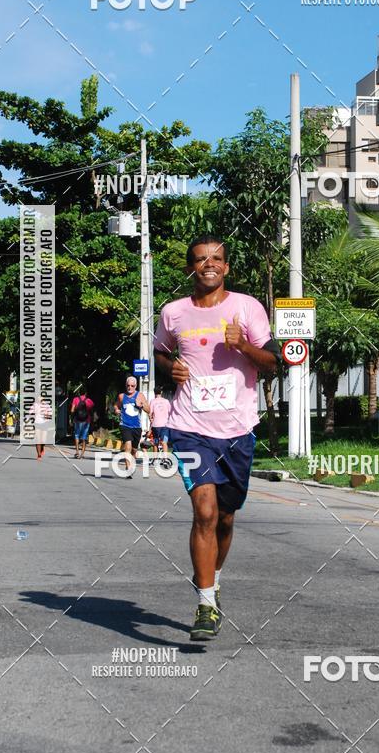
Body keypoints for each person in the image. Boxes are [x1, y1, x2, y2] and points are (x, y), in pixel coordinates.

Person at [154, 235, 279, 641]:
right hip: (189, 428)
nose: (208, 265)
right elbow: (158, 352)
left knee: (225, 518)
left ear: (226, 267)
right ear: (190, 268)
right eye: (200, 260)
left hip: (237, 432)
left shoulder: (247, 308)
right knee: (204, 511)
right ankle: (205, 604)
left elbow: (274, 363)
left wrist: (242, 345)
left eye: (216, 259)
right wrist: (169, 366)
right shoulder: (173, 313)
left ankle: (214, 578)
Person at [114, 376, 150, 475]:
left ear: (136, 386)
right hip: (124, 425)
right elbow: (116, 405)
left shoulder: (140, 396)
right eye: (128, 385)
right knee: (128, 446)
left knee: (134, 450)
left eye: (132, 386)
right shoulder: (121, 396)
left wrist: (142, 405)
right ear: (126, 385)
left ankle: (131, 462)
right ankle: (128, 468)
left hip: (137, 427)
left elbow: (148, 410)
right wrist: (116, 410)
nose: (130, 388)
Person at [71, 388, 94, 459]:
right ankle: (82, 454)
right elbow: (91, 410)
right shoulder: (89, 400)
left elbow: (72, 410)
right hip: (86, 421)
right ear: (85, 393)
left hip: (77, 420)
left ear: (79, 393)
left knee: (77, 435)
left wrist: (75, 413)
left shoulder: (75, 399)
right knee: (84, 437)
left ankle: (77, 452)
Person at [148, 387, 171, 454]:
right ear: (161, 392)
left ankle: (155, 459)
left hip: (155, 425)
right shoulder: (166, 401)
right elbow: (170, 412)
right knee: (164, 442)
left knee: (156, 442)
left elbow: (150, 414)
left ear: (154, 392)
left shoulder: (152, 401)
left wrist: (151, 420)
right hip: (165, 425)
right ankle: (165, 459)